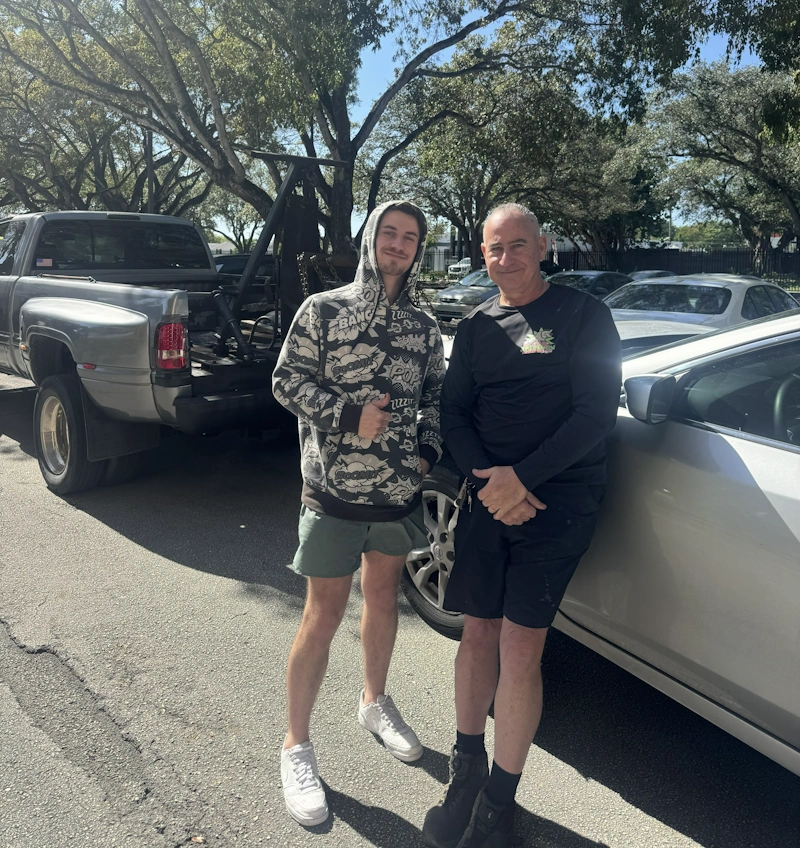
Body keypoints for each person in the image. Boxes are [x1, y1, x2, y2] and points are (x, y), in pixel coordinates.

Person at [422, 203, 621, 848]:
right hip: (489, 498)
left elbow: (595, 415)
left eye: (516, 246)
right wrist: (489, 479)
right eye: (492, 249)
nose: (503, 259)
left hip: (555, 503)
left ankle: (499, 803)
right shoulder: (478, 325)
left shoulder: (585, 316)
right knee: (476, 633)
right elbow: (454, 416)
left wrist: (522, 480)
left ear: (542, 247)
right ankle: (465, 770)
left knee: (520, 647)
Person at [272, 200, 445, 827]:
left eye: (410, 238)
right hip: (334, 492)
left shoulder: (424, 328)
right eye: (389, 234)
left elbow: (435, 399)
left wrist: (425, 455)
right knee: (323, 614)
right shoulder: (323, 311)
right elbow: (286, 382)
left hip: (396, 495)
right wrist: (347, 416)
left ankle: (374, 701)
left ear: (418, 249)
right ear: (371, 239)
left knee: (382, 598)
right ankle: (295, 745)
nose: (397, 245)